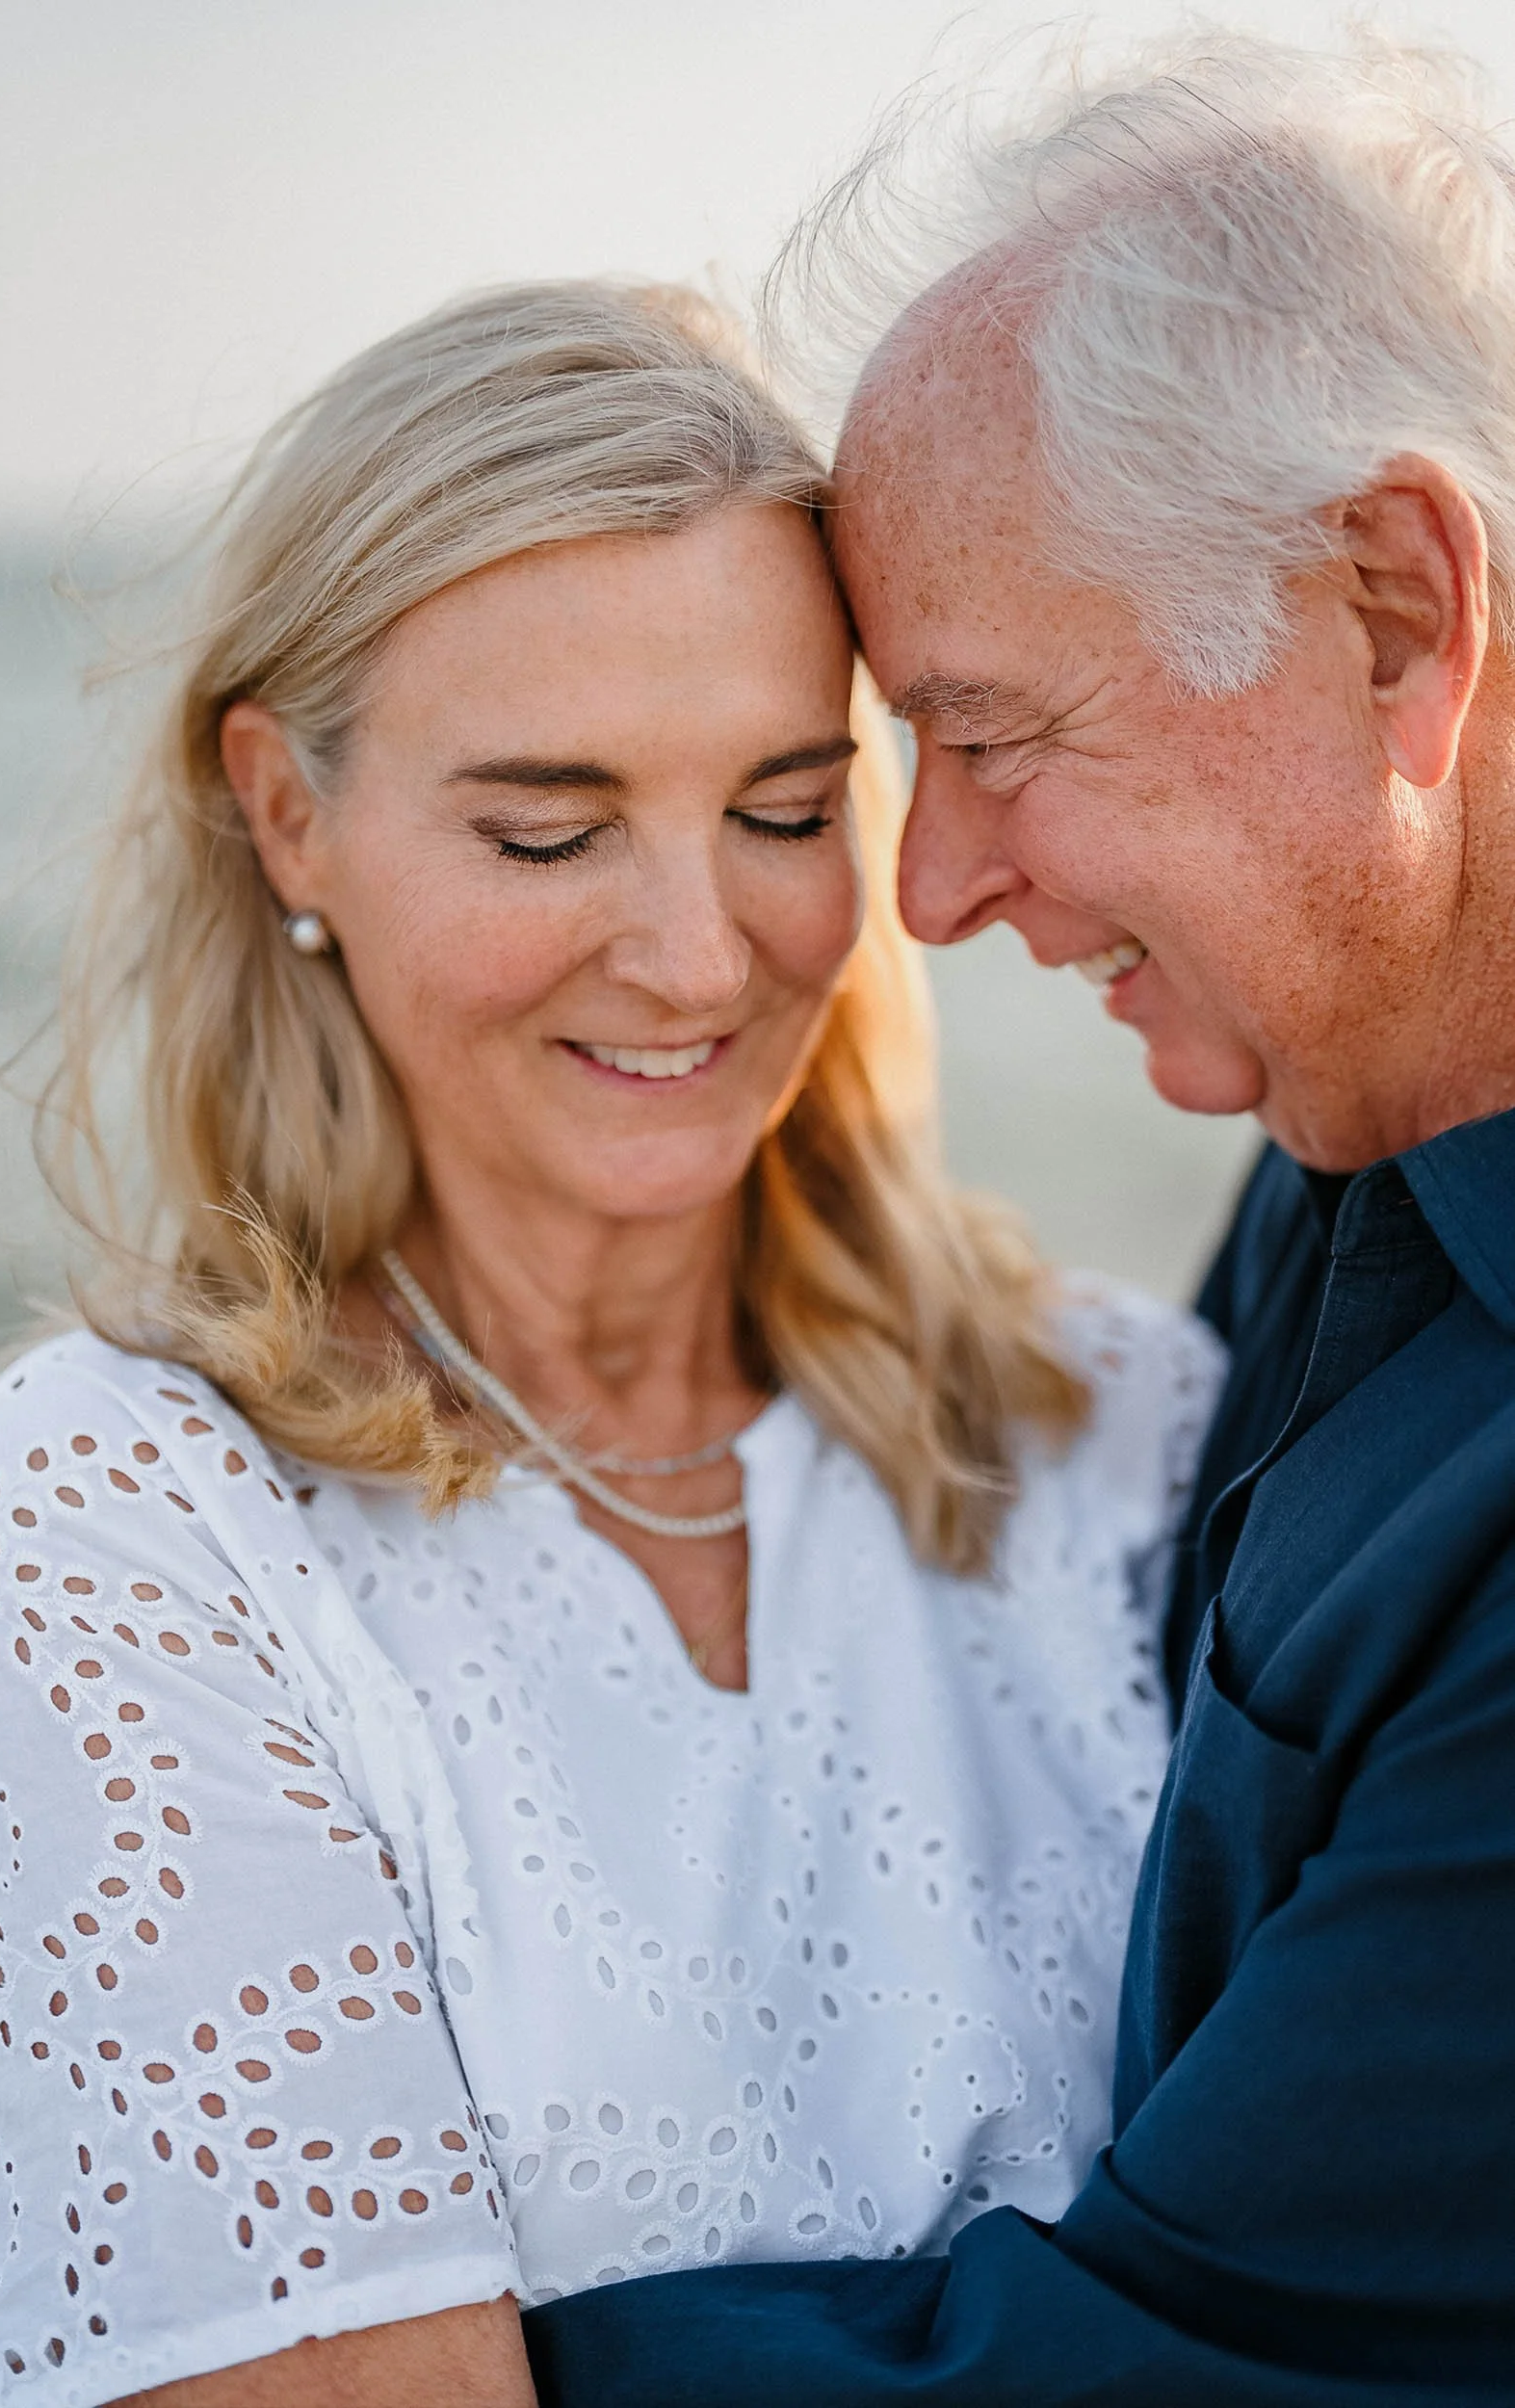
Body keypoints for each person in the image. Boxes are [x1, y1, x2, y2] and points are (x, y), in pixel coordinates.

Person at [0, 283, 1222, 2406]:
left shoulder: (1119, 1430)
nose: (700, 952)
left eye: (788, 811)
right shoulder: (146, 1519)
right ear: (286, 812)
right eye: (548, 828)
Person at [521, 33, 1515, 2407]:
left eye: (987, 730)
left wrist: (333, 2355)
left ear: (1389, 609)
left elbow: (1183, 2365)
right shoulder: (1353, 1148)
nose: (927, 886)